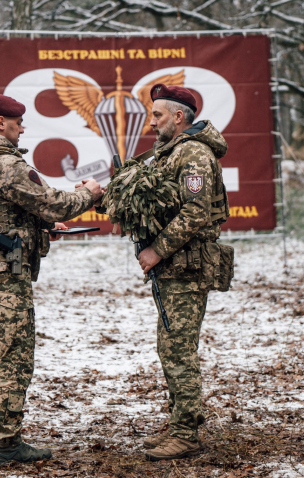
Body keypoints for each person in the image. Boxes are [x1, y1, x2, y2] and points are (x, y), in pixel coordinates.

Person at [0, 95, 103, 465]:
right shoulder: (6, 163)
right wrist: (90, 193)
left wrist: (42, 224)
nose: (23, 128)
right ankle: (7, 442)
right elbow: (53, 202)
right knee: (14, 354)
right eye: (18, 123)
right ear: (1, 123)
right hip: (5, 274)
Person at [136, 83, 230, 461]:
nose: (151, 120)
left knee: (178, 351)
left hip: (187, 267)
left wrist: (156, 250)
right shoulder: (168, 152)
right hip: (175, 267)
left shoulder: (193, 154)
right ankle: (180, 423)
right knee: (169, 346)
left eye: (157, 114)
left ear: (178, 117)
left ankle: (186, 433)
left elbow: (195, 212)